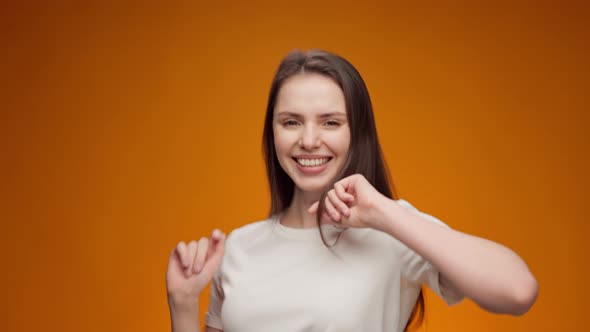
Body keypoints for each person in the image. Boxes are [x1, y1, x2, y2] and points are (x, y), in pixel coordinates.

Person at [165, 49, 538, 332]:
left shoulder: (392, 232)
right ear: (272, 133)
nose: (309, 140)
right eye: (291, 122)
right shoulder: (238, 248)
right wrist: (182, 304)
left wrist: (383, 212)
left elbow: (518, 290)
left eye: (330, 122)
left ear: (356, 133)